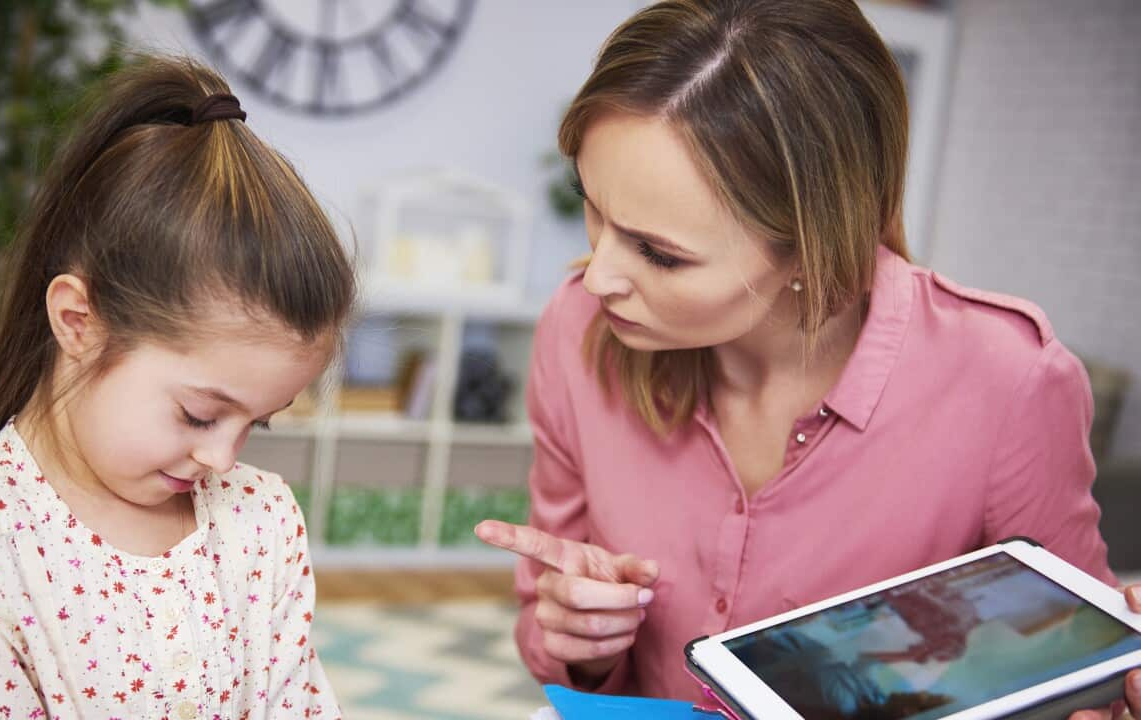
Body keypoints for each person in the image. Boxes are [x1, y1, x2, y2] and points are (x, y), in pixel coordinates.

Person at [474, 1, 1141, 716]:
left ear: (811, 242)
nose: (599, 276)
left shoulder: (1007, 383)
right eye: (593, 205)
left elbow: (1079, 677)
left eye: (659, 254)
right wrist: (580, 637)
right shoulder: (575, 331)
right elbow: (544, 631)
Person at [0, 55, 353, 718]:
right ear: (78, 322)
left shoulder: (261, 520)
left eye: (258, 422)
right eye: (199, 414)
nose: (223, 459)